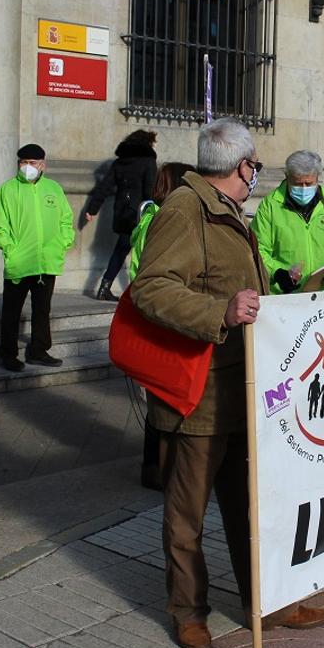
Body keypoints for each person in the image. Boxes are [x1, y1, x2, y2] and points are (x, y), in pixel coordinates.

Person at [129, 118, 324, 648]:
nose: (257, 172)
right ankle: (188, 612)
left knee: (252, 509)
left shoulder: (228, 213)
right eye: (256, 163)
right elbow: (151, 289)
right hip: (198, 395)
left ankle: (263, 602)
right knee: (187, 514)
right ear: (243, 166)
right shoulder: (184, 210)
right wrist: (219, 310)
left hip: (244, 390)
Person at [124, 160, 194, 491]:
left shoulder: (155, 220)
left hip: (156, 319)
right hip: (160, 320)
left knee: (161, 399)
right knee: (162, 402)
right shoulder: (161, 223)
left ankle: (157, 466)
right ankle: (157, 467)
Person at [0, 144, 75, 372]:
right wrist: (11, 250)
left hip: (46, 261)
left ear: (42, 165)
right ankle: (8, 353)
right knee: (11, 310)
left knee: (42, 308)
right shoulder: (7, 190)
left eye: (33, 163)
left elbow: (66, 219)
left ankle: (39, 350)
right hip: (20, 262)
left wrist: (63, 242)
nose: (28, 167)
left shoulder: (54, 189)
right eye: (23, 162)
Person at [251, 151, 324, 293]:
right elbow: (258, 248)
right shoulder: (271, 205)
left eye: (308, 183)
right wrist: (276, 273)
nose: (303, 189)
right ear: (287, 177)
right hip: (288, 294)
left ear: (317, 178)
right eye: (297, 183)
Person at [84, 130, 158, 301]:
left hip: (122, 212)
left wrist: (92, 209)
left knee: (121, 250)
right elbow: (149, 190)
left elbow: (105, 186)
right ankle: (139, 291)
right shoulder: (148, 162)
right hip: (140, 214)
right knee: (144, 253)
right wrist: (154, 212)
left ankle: (105, 287)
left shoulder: (120, 162)